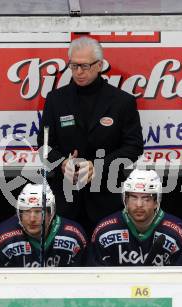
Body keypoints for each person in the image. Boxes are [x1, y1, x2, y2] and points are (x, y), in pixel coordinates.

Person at [37, 36, 143, 237]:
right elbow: (43, 145)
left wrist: (99, 166)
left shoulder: (123, 101)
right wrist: (61, 163)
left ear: (99, 65)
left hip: (107, 199)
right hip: (65, 200)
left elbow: (134, 147)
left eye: (84, 66)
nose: (78, 72)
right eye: (73, 66)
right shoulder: (55, 99)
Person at [90, 169, 182, 266]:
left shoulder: (176, 233)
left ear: (156, 202)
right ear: (125, 199)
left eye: (146, 198)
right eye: (133, 197)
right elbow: (95, 280)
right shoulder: (104, 231)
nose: (139, 204)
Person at [0, 183, 87, 267]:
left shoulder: (74, 235)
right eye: (26, 211)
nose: (32, 219)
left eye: (39, 212)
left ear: (51, 213)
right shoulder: (2, 238)